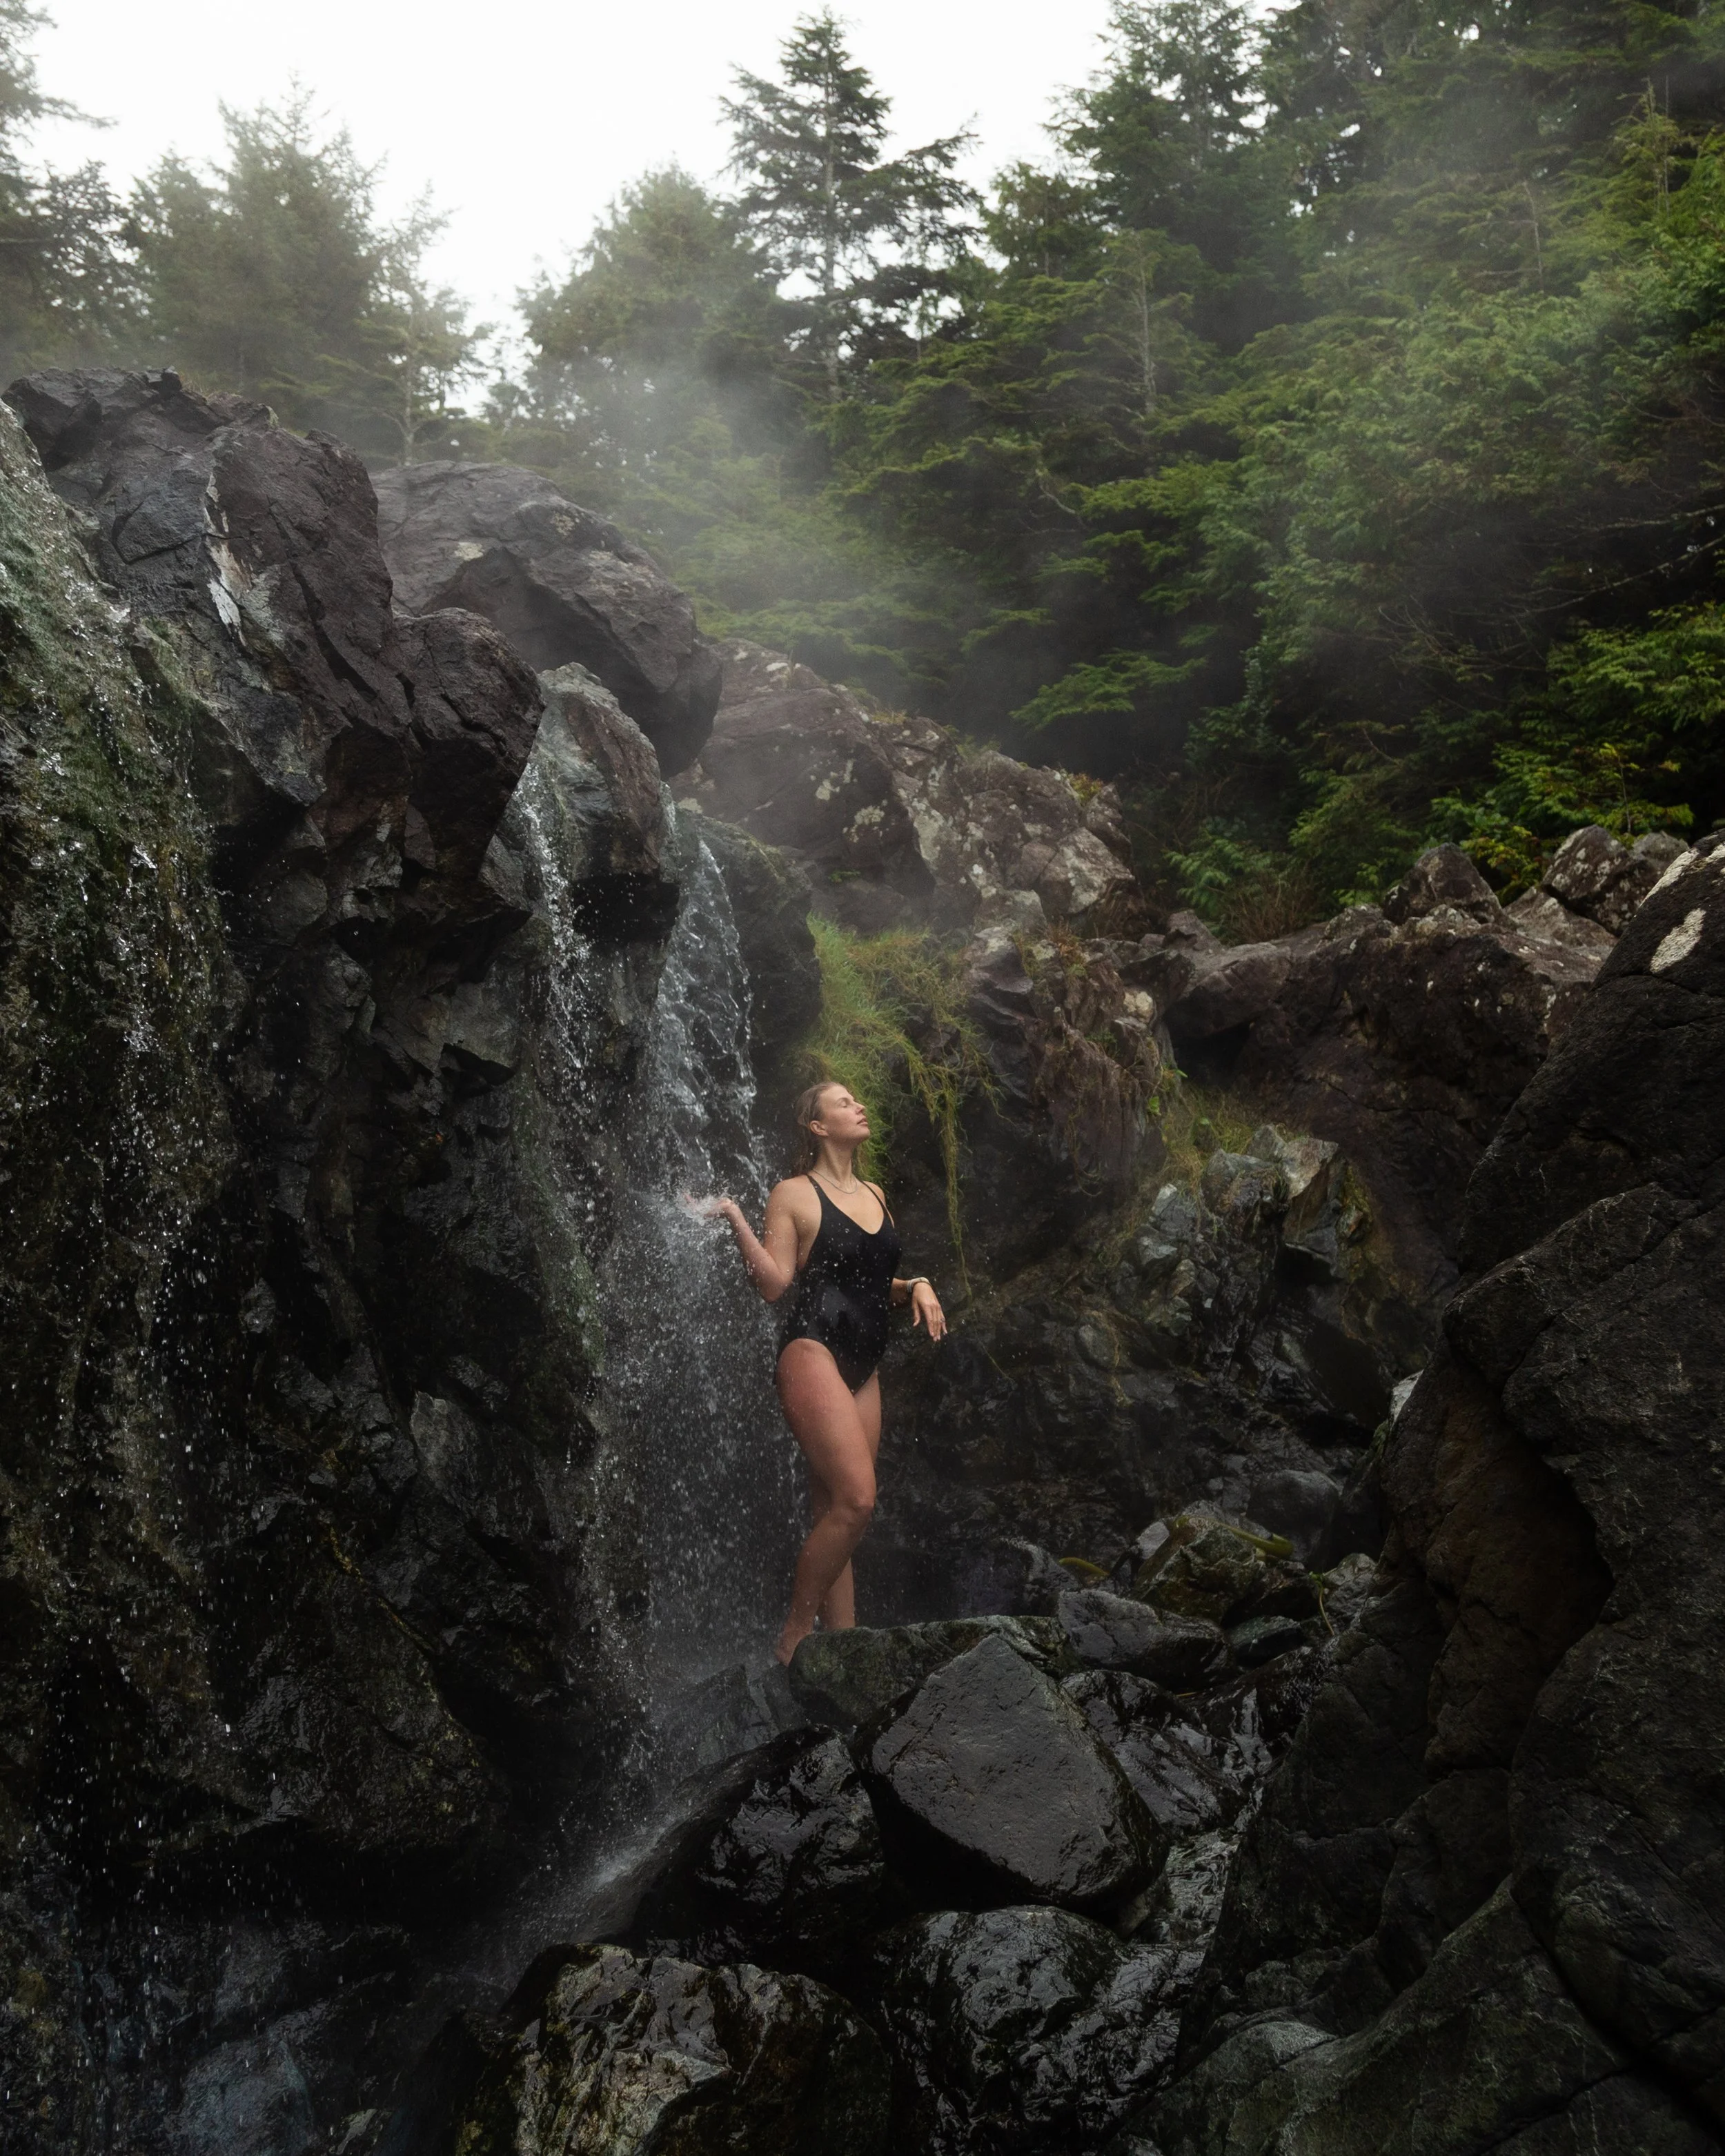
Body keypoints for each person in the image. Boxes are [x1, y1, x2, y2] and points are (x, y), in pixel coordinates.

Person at [690, 1081, 946, 1664]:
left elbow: (871, 1283)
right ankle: (794, 1640)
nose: (860, 1105)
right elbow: (776, 1283)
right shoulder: (793, 1194)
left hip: (864, 1366)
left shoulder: (877, 1193)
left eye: (860, 1098)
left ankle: (844, 1651)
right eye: (845, 1101)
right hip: (813, 1350)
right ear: (817, 1126)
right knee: (857, 1499)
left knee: (837, 1511)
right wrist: (734, 1214)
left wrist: (920, 1285)